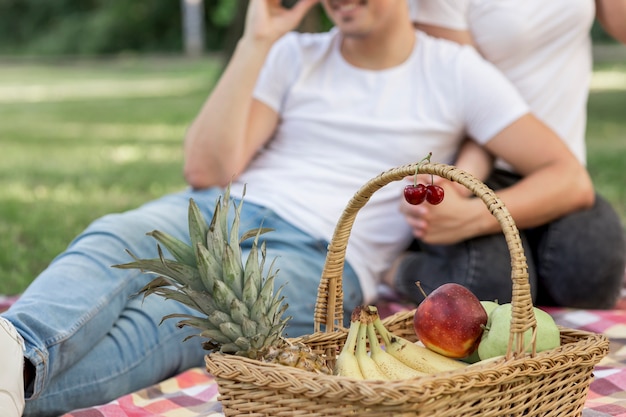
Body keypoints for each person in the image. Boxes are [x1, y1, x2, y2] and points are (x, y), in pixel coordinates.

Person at [0, 0, 599, 415]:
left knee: (176, 323)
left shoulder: (456, 71)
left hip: (321, 256)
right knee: (119, 234)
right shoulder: (293, 54)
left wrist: (469, 214)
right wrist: (257, 40)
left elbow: (569, 178)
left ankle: (15, 380)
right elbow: (206, 170)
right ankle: (15, 353)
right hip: (228, 205)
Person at [387, 0, 626, 308]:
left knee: (592, 277)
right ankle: (399, 268)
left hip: (558, 170)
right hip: (477, 168)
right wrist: (462, 187)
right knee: (486, 293)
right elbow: (461, 94)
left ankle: (530, 275)